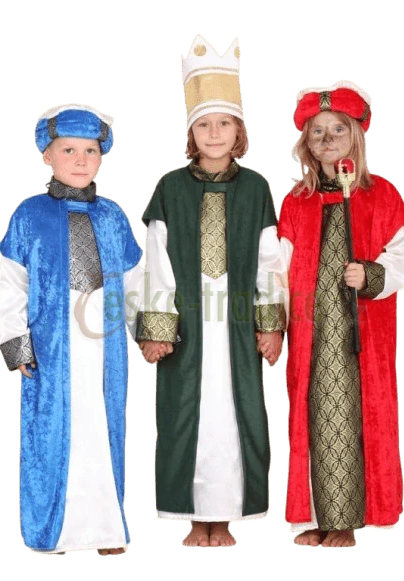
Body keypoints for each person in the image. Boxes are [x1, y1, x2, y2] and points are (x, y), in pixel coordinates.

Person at [137, 34, 285, 548]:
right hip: (187, 323)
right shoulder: (170, 188)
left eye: (225, 123)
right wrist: (157, 327)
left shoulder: (256, 188)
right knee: (184, 414)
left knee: (233, 413)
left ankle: (222, 518)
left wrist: (271, 325)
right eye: (204, 124)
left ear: (240, 131)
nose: (215, 133)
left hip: (237, 324)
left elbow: (269, 262)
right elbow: (157, 262)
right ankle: (192, 515)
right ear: (191, 133)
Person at [0, 104, 143, 556]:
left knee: (103, 430)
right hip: (51, 348)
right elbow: (12, 283)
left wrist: (147, 330)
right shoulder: (29, 215)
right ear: (47, 155)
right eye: (68, 150)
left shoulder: (113, 217)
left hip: (104, 347)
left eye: (89, 151)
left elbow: (135, 281)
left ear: (102, 156)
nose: (80, 160)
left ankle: (105, 530)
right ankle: (52, 531)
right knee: (51, 435)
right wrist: (17, 343)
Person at [277, 81, 404, 549]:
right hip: (312, 336)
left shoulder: (380, 194)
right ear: (306, 144)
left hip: (363, 336)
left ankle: (349, 519)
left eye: (338, 129)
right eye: (318, 132)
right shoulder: (297, 201)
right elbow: (277, 267)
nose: (328, 138)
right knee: (313, 418)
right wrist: (273, 319)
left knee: (361, 417)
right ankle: (317, 515)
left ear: (356, 136)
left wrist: (372, 275)